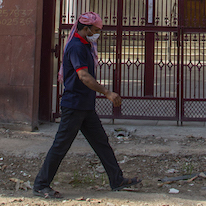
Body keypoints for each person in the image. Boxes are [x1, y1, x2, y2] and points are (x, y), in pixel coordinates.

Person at [33, 11, 141, 198]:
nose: (99, 33)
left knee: (101, 143)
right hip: (74, 106)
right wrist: (107, 93)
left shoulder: (85, 45)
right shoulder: (76, 47)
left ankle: (117, 179)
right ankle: (41, 184)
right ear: (86, 28)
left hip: (85, 106)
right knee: (60, 146)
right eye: (97, 30)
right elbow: (83, 76)